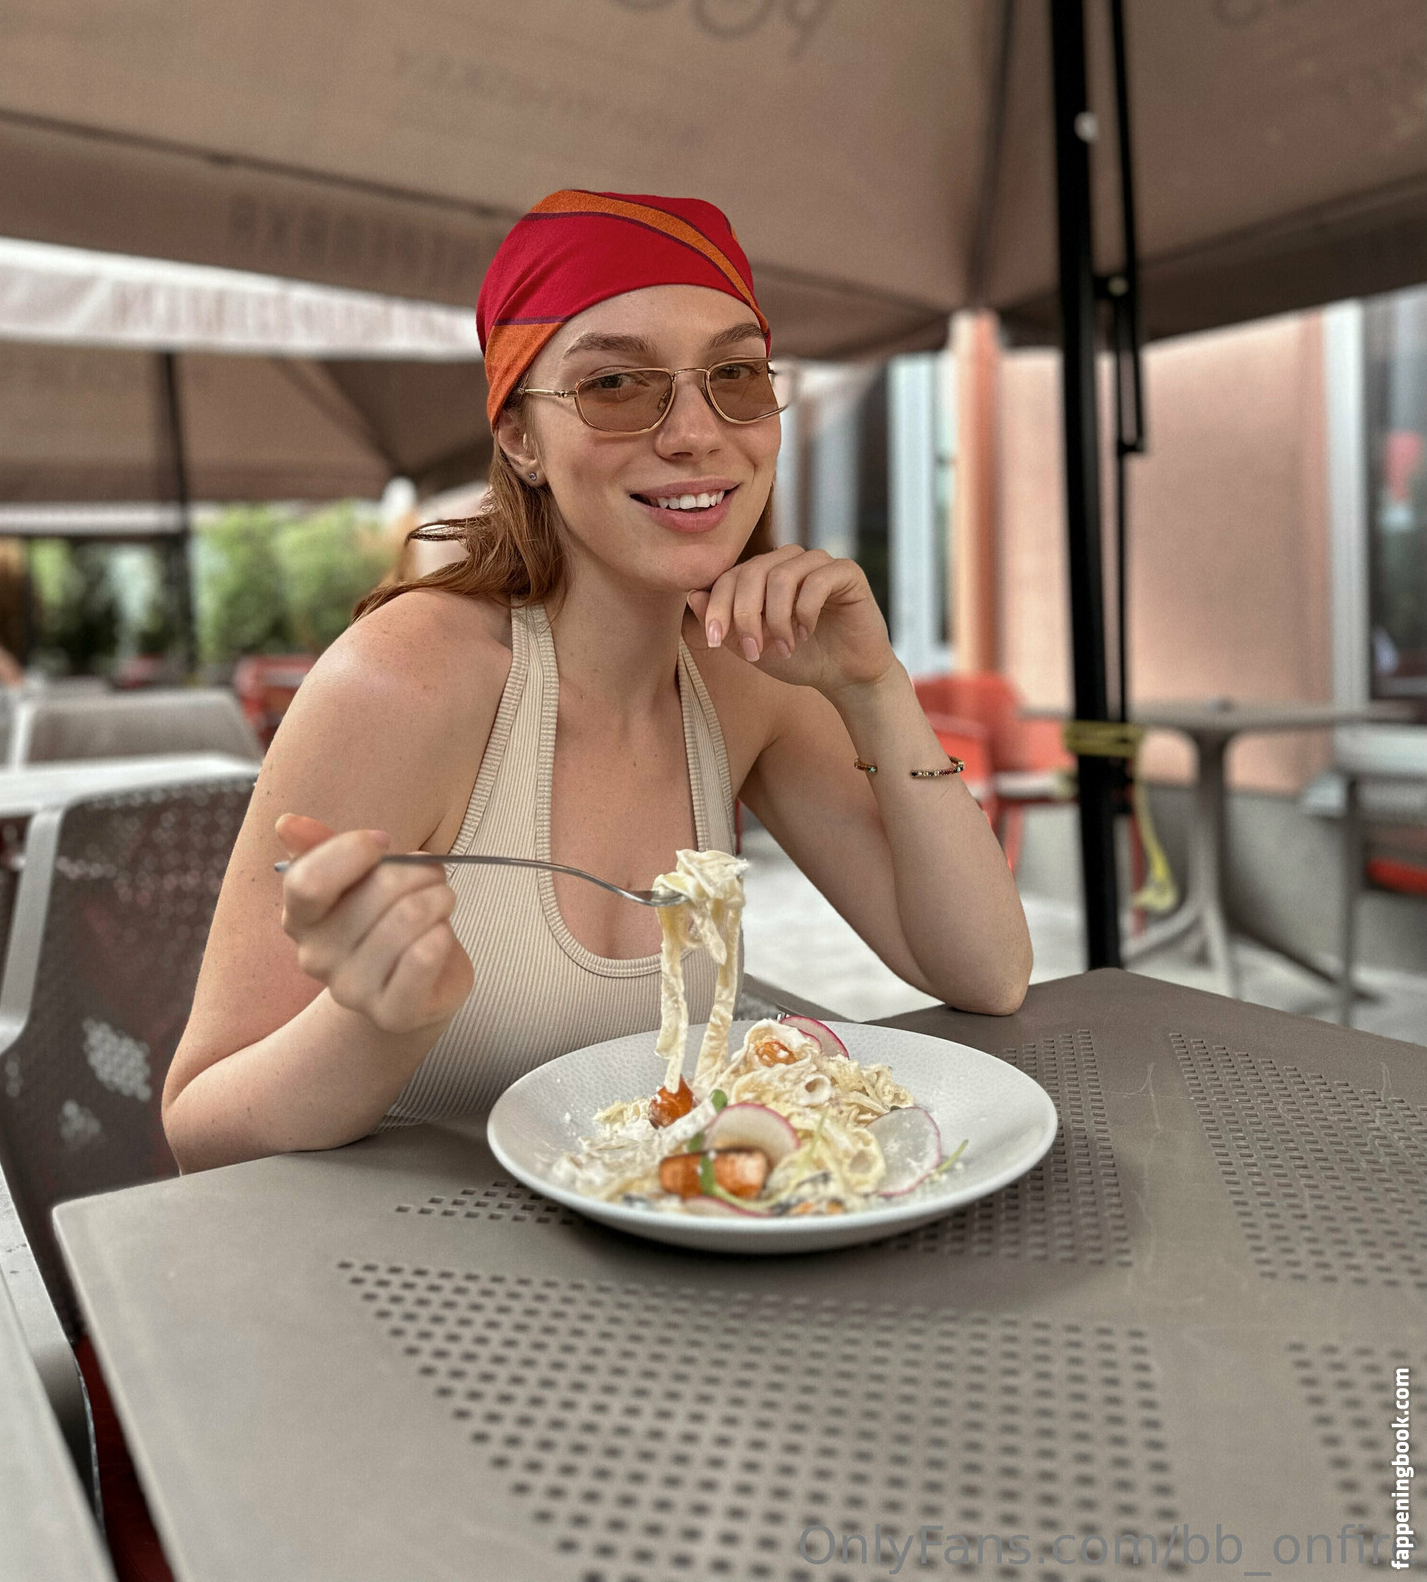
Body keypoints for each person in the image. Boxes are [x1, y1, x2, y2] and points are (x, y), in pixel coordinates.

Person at [163, 191, 1031, 1173]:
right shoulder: (406, 679)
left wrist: (876, 689)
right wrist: (378, 1025)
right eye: (616, 383)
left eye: (736, 374)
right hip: (391, 1248)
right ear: (520, 439)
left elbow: (987, 972)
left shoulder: (744, 674)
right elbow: (199, 1130)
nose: (697, 432)